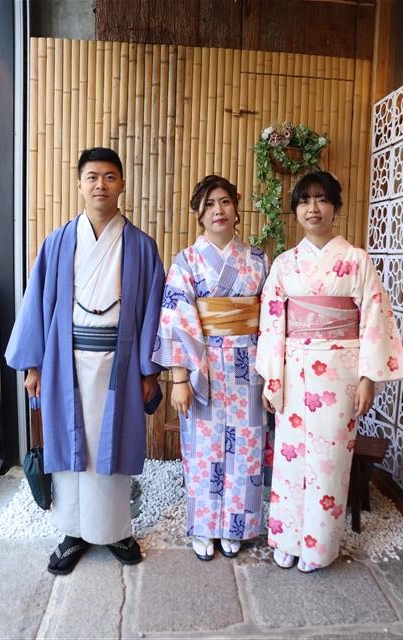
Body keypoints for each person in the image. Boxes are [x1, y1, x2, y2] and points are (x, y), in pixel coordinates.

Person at [5, 147, 164, 575]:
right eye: (92, 177)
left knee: (113, 445)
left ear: (122, 184)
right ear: (79, 184)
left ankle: (115, 530)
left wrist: (150, 371)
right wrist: (34, 366)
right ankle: (72, 531)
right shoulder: (57, 243)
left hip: (121, 363)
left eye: (109, 177)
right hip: (66, 360)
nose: (100, 185)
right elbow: (37, 305)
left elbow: (153, 311)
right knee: (69, 444)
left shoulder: (141, 247)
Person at [256, 171, 403, 572]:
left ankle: (319, 546)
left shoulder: (356, 260)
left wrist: (368, 378)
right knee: (289, 456)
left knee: (330, 459)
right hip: (292, 369)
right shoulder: (285, 264)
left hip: (340, 372)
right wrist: (271, 378)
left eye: (322, 199)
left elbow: (374, 319)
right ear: (295, 210)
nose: (313, 208)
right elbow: (272, 322)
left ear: (335, 208)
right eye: (304, 201)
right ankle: (287, 538)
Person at [152, 175, 269, 560]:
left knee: (247, 445)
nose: (218, 210)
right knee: (202, 448)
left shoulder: (258, 260)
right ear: (199, 215)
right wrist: (179, 378)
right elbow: (175, 320)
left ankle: (238, 526)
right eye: (209, 205)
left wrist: (273, 371)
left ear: (236, 207)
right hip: (203, 366)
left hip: (249, 365)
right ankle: (203, 526)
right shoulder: (186, 261)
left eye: (225, 202)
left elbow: (272, 319)